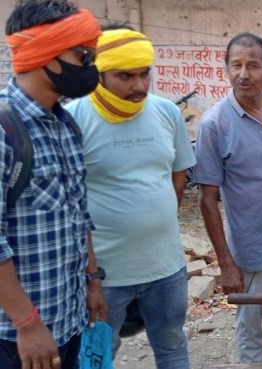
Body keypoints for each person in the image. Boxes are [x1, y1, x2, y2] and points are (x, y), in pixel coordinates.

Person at [64, 25, 195, 368]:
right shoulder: (74, 119)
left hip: (166, 269)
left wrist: (155, 219)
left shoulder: (166, 113)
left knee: (172, 347)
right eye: (125, 76)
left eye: (144, 74)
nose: (138, 85)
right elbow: (72, 205)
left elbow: (178, 175)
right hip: (105, 276)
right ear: (99, 72)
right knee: (98, 356)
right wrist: (90, 277)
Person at [0, 1, 107, 368]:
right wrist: (26, 324)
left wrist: (92, 282)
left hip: (70, 319)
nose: (91, 66)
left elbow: (79, 213)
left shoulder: (66, 125)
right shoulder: (4, 131)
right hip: (16, 337)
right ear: (45, 52)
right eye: (83, 54)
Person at [194, 32, 262, 364]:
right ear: (226, 70)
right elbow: (207, 199)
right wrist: (226, 263)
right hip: (252, 251)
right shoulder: (214, 124)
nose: (243, 74)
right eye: (236, 65)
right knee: (249, 324)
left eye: (253, 65)